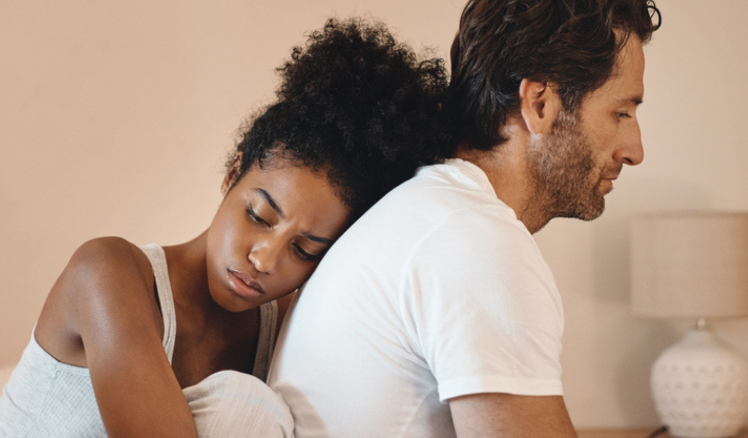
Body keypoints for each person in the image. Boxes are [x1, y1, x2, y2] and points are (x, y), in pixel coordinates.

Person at [0, 19, 451, 438]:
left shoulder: (292, 330)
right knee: (246, 407)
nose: (265, 260)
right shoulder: (108, 272)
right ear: (232, 175)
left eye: (305, 250)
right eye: (259, 216)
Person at [267, 1, 662, 437]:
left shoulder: (431, 211)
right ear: (540, 103)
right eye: (621, 112)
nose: (634, 150)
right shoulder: (477, 241)